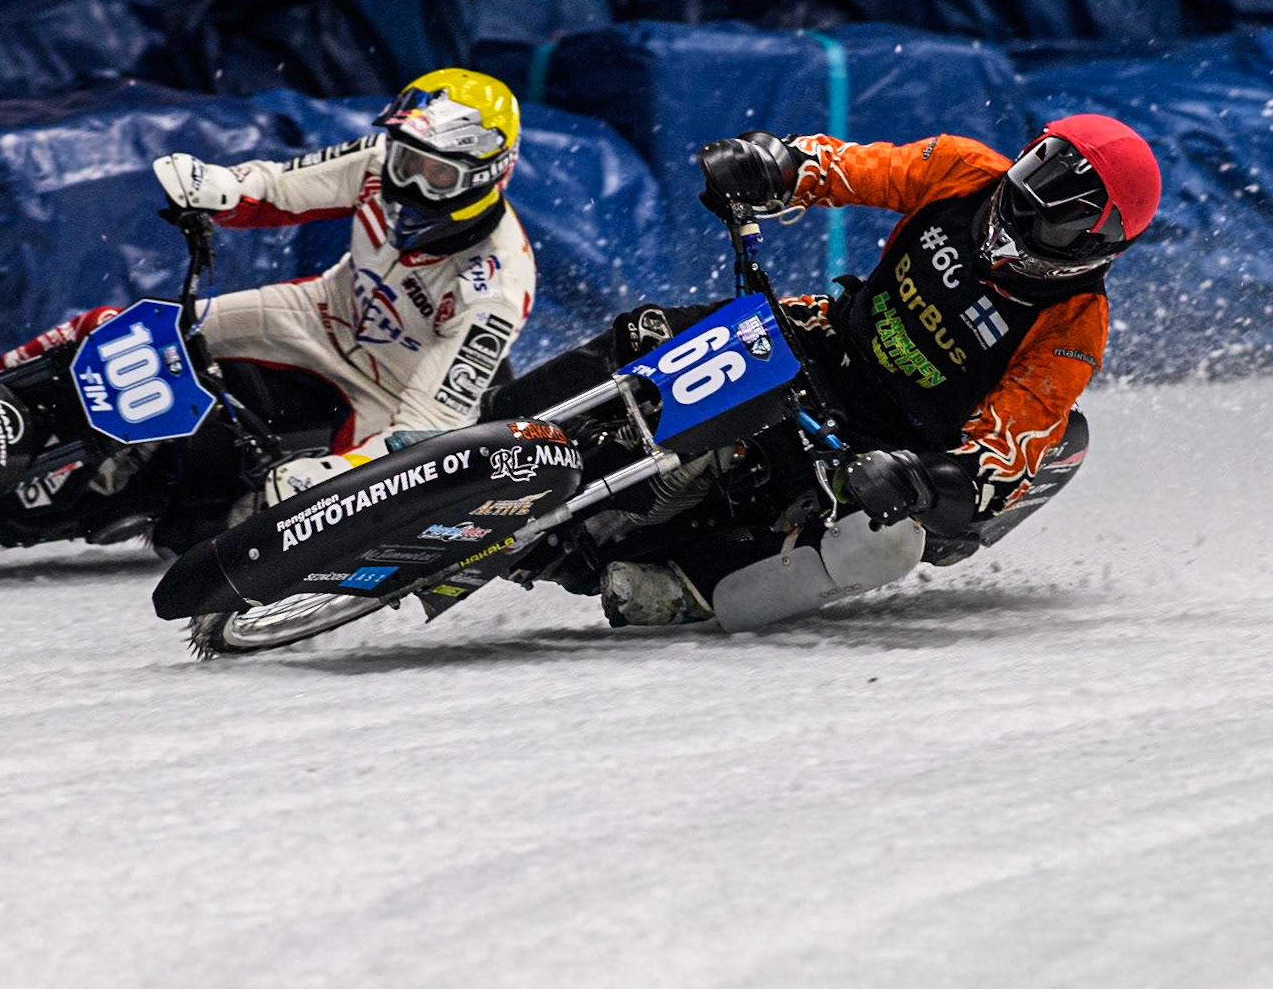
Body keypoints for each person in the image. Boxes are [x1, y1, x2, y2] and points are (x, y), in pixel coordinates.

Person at [492, 115, 1161, 628]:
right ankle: (494, 424)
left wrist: (922, 480)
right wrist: (774, 164)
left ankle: (690, 587)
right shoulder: (961, 169)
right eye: (1030, 180)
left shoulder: (1072, 325)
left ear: (1097, 245)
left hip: (883, 445)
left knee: (883, 544)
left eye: (1058, 220)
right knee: (650, 332)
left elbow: (1006, 451)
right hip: (829, 339)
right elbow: (854, 167)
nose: (1018, 216)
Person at [0, 68, 537, 505]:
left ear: (490, 174)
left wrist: (336, 471)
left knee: (321, 506)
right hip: (320, 311)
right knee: (131, 328)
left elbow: (425, 433)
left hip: (392, 393)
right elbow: (277, 189)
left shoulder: (495, 282)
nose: (410, 182)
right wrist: (218, 186)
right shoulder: (378, 162)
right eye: (407, 159)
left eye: (437, 174)